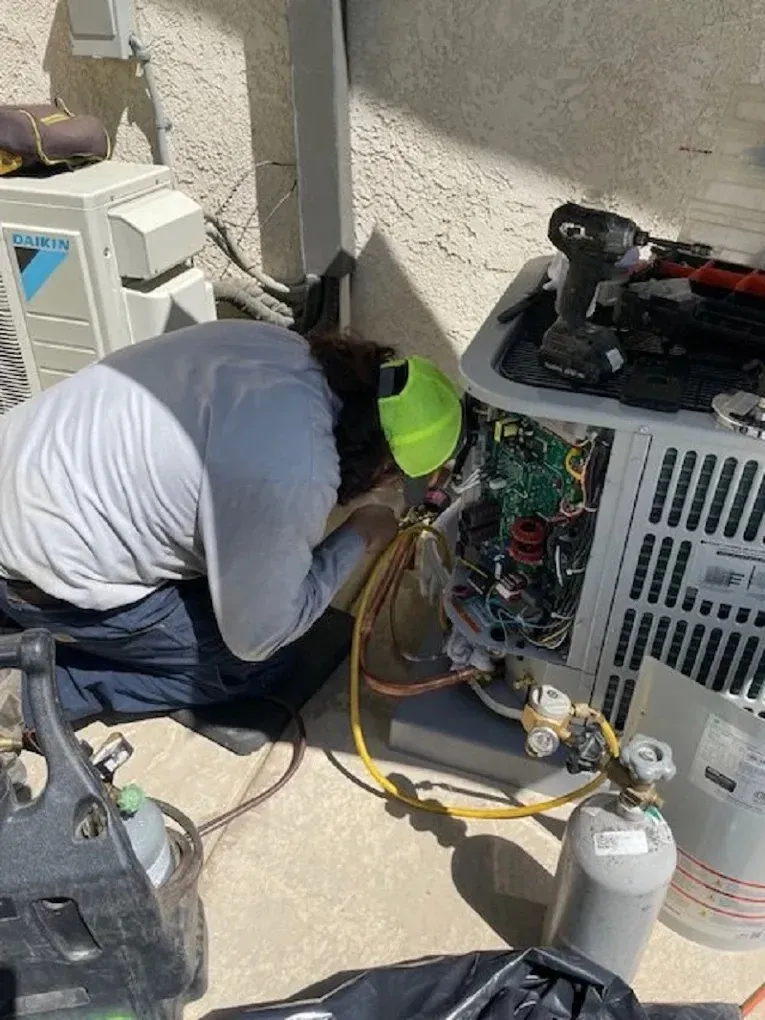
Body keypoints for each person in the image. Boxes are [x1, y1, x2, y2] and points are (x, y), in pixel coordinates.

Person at [0, 319, 462, 778]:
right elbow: (257, 636)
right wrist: (359, 534)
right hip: (34, 577)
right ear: (380, 463)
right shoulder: (296, 473)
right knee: (257, 663)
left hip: (20, 476)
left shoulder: (275, 344)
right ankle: (26, 694)